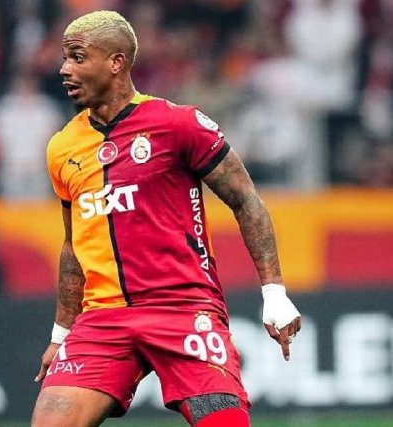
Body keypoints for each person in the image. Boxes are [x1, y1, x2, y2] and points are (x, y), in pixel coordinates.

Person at [31, 10, 301, 427]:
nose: (65, 69)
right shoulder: (62, 148)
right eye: (65, 58)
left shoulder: (178, 124)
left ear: (117, 62)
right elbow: (73, 244)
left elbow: (246, 200)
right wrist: (61, 335)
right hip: (103, 321)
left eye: (78, 58)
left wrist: (274, 292)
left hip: (183, 310)